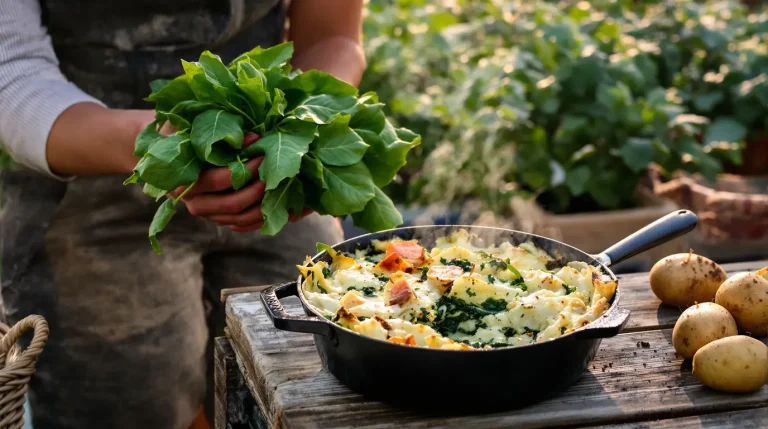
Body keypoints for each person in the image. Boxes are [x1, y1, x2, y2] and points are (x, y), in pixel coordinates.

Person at [0, 1, 364, 428]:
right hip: (84, 184)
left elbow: (331, 37)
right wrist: (168, 147)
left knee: (313, 381)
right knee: (132, 401)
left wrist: (303, 130)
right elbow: (12, 73)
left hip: (266, 167)